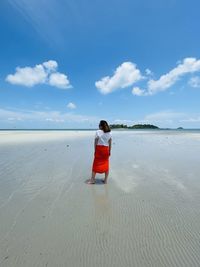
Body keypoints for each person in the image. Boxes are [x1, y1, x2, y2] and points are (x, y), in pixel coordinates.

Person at [87, 120, 112, 184]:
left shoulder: (98, 132)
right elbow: (110, 142)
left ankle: (92, 180)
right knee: (106, 164)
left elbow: (95, 141)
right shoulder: (109, 133)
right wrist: (109, 151)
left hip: (99, 149)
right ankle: (105, 180)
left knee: (95, 164)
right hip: (106, 149)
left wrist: (95, 150)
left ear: (101, 126)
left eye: (99, 125)